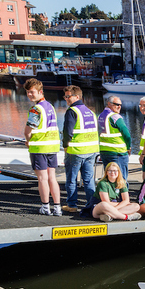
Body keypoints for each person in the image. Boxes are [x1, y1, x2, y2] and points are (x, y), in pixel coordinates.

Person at [22, 78, 62, 216]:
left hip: (39, 148)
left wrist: (28, 141)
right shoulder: (50, 106)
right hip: (52, 147)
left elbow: (27, 131)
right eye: (27, 92)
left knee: (42, 179)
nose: (29, 95)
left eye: (32, 92)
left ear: (40, 92)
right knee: (52, 178)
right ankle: (57, 207)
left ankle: (45, 207)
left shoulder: (35, 109)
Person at [61, 85, 98, 214]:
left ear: (77, 96)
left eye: (68, 96)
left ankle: (72, 204)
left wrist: (65, 146)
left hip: (76, 151)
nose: (66, 99)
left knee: (71, 180)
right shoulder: (91, 112)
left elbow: (68, 132)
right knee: (88, 180)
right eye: (65, 96)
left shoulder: (72, 111)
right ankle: (91, 205)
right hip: (91, 151)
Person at [98, 96, 132, 182]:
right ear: (109, 104)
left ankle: (111, 195)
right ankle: (123, 195)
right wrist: (128, 147)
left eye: (120, 104)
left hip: (104, 151)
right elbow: (127, 134)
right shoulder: (115, 117)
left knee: (109, 178)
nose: (119, 106)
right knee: (121, 179)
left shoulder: (100, 116)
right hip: (118, 153)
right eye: (116, 104)